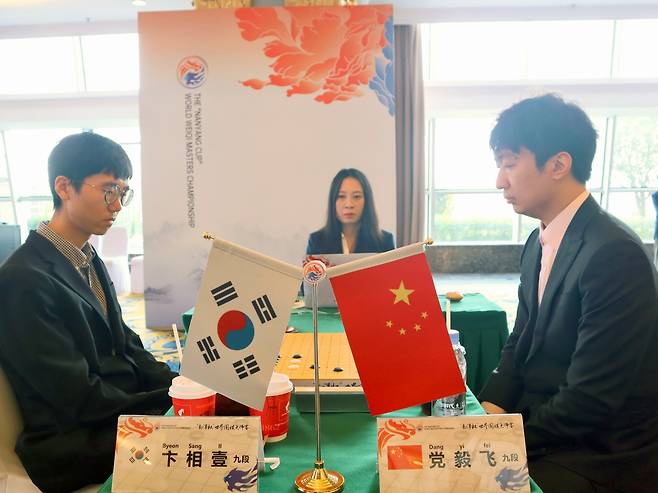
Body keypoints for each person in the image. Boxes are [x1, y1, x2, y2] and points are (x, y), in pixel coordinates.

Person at [478, 94, 658, 493]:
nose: (500, 181)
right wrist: (486, 414)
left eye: (510, 164)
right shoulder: (537, 241)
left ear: (559, 164)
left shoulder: (613, 254)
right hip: (548, 428)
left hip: (599, 453)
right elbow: (519, 342)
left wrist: (500, 443)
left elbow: (591, 399)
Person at [0, 132, 176, 493]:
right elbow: (73, 394)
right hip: (71, 439)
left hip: (110, 412)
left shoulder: (86, 257)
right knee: (204, 443)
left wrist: (175, 387)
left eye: (123, 194)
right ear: (64, 187)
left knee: (212, 414)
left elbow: (127, 344)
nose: (117, 206)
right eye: (109, 190)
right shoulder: (22, 280)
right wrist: (157, 407)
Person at [306, 168, 395, 255]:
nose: (349, 205)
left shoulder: (385, 241)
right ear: (332, 201)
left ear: (367, 201)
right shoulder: (317, 241)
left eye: (356, 196)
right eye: (341, 196)